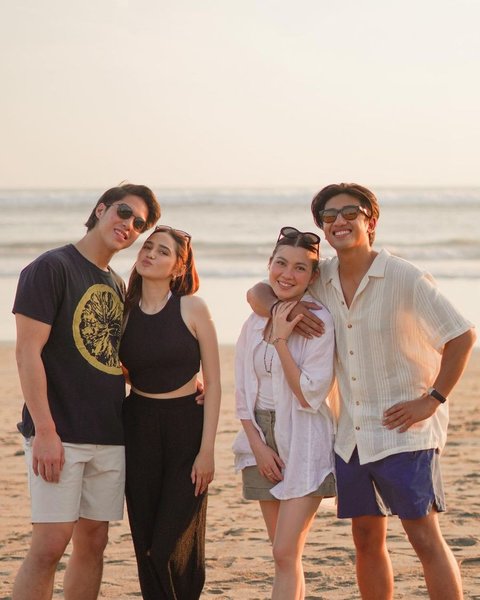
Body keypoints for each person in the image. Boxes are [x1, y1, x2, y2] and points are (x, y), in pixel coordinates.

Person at [247, 183, 476, 600]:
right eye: (329, 216)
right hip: (351, 436)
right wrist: (285, 309)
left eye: (350, 213)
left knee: (424, 537)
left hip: (405, 433)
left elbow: (461, 335)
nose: (340, 221)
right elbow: (260, 291)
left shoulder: (403, 276)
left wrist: (433, 399)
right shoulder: (321, 278)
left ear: (370, 221)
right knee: (366, 539)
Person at [11, 183, 160, 600]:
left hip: (109, 432)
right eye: (124, 212)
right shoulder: (50, 268)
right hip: (59, 431)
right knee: (50, 544)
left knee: (94, 542)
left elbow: (110, 356)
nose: (129, 225)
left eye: (140, 224)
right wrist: (45, 431)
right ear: (101, 209)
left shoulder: (116, 284)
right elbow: (26, 353)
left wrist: (180, 381)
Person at [233, 227, 336, 599]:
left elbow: (309, 396)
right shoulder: (253, 320)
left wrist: (279, 339)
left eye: (299, 268)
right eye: (281, 263)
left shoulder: (317, 322)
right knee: (285, 554)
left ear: (313, 276)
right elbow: (243, 393)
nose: (287, 275)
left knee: (284, 551)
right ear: (269, 264)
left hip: (305, 437)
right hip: (260, 436)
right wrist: (258, 447)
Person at [119, 225, 221, 600]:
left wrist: (207, 451)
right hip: (138, 426)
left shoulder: (192, 307)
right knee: (146, 545)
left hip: (186, 428)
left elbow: (215, 383)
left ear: (179, 266)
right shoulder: (124, 310)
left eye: (163, 251)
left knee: (169, 545)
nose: (150, 254)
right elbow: (120, 368)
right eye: (148, 247)